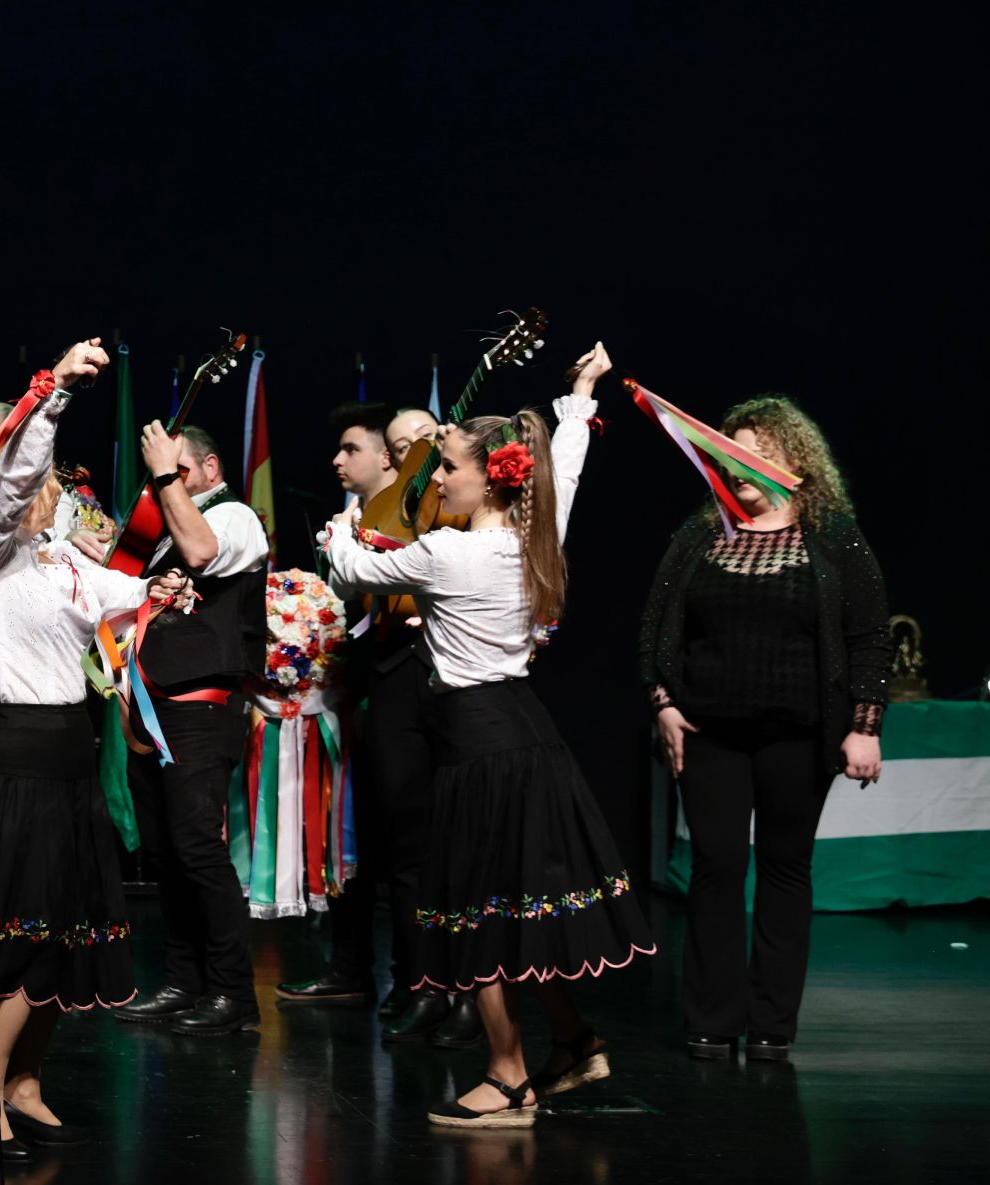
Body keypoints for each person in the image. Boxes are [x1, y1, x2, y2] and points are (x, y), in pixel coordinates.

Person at [323, 343, 656, 1127]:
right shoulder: (538, 535)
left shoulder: (451, 551)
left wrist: (342, 526)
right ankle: (572, 1042)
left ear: (488, 476)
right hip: (525, 734)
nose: (436, 479)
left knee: (471, 914)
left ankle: (509, 1077)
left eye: (447, 469)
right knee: (516, 907)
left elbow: (351, 570)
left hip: (478, 743)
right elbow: (563, 467)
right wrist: (580, 395)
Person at [0, 338, 181, 1157]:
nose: (50, 481)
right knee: (26, 930)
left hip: (66, 756)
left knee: (64, 929)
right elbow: (14, 481)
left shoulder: (58, 559)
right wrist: (53, 394)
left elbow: (146, 583)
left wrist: (164, 590)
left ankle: (26, 1081)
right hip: (17, 757)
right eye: (38, 470)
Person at [639, 395, 888, 1063]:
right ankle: (713, 1021)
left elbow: (868, 639)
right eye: (730, 454)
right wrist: (663, 701)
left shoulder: (833, 537)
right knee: (717, 867)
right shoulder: (700, 534)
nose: (739, 467)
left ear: (795, 462)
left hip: (799, 735)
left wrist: (865, 725)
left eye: (756, 453)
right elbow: (658, 630)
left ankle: (773, 1024)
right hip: (710, 730)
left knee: (785, 868)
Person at [282, 400, 483, 1048]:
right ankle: (419, 985)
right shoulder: (377, 518)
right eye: (400, 447)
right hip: (393, 685)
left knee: (455, 849)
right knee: (399, 850)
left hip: (458, 693)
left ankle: (457, 993)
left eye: (424, 442)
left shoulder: (467, 524)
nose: (412, 456)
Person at [109, 422, 270, 1036]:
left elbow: (201, 553)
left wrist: (163, 477)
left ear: (208, 467)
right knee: (167, 854)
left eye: (178, 470)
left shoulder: (234, 518)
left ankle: (234, 994)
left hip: (201, 707)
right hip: (149, 703)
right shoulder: (162, 528)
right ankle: (184, 981)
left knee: (199, 847)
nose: (164, 482)